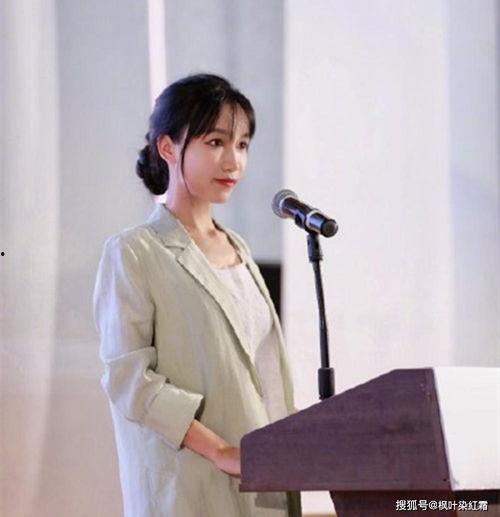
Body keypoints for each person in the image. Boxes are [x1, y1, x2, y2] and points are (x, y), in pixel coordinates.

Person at [93, 73, 301, 516]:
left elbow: (263, 373)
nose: (233, 161)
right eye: (215, 142)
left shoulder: (238, 248)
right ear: (168, 148)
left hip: (264, 486)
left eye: (242, 145)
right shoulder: (134, 251)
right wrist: (222, 451)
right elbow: (129, 380)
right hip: (189, 489)